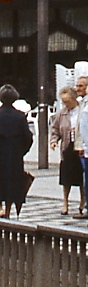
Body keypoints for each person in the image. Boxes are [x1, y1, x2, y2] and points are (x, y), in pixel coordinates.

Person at [0, 85, 34, 219]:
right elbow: (28, 138)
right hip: (14, 155)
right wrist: (21, 151)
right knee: (12, 181)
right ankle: (9, 209)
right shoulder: (20, 117)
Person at [50, 85, 83, 217]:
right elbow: (55, 129)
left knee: (81, 177)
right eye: (64, 102)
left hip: (80, 146)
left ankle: (83, 201)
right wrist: (54, 141)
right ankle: (65, 202)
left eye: (68, 102)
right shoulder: (62, 113)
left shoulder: (82, 110)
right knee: (66, 177)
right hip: (67, 146)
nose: (66, 104)